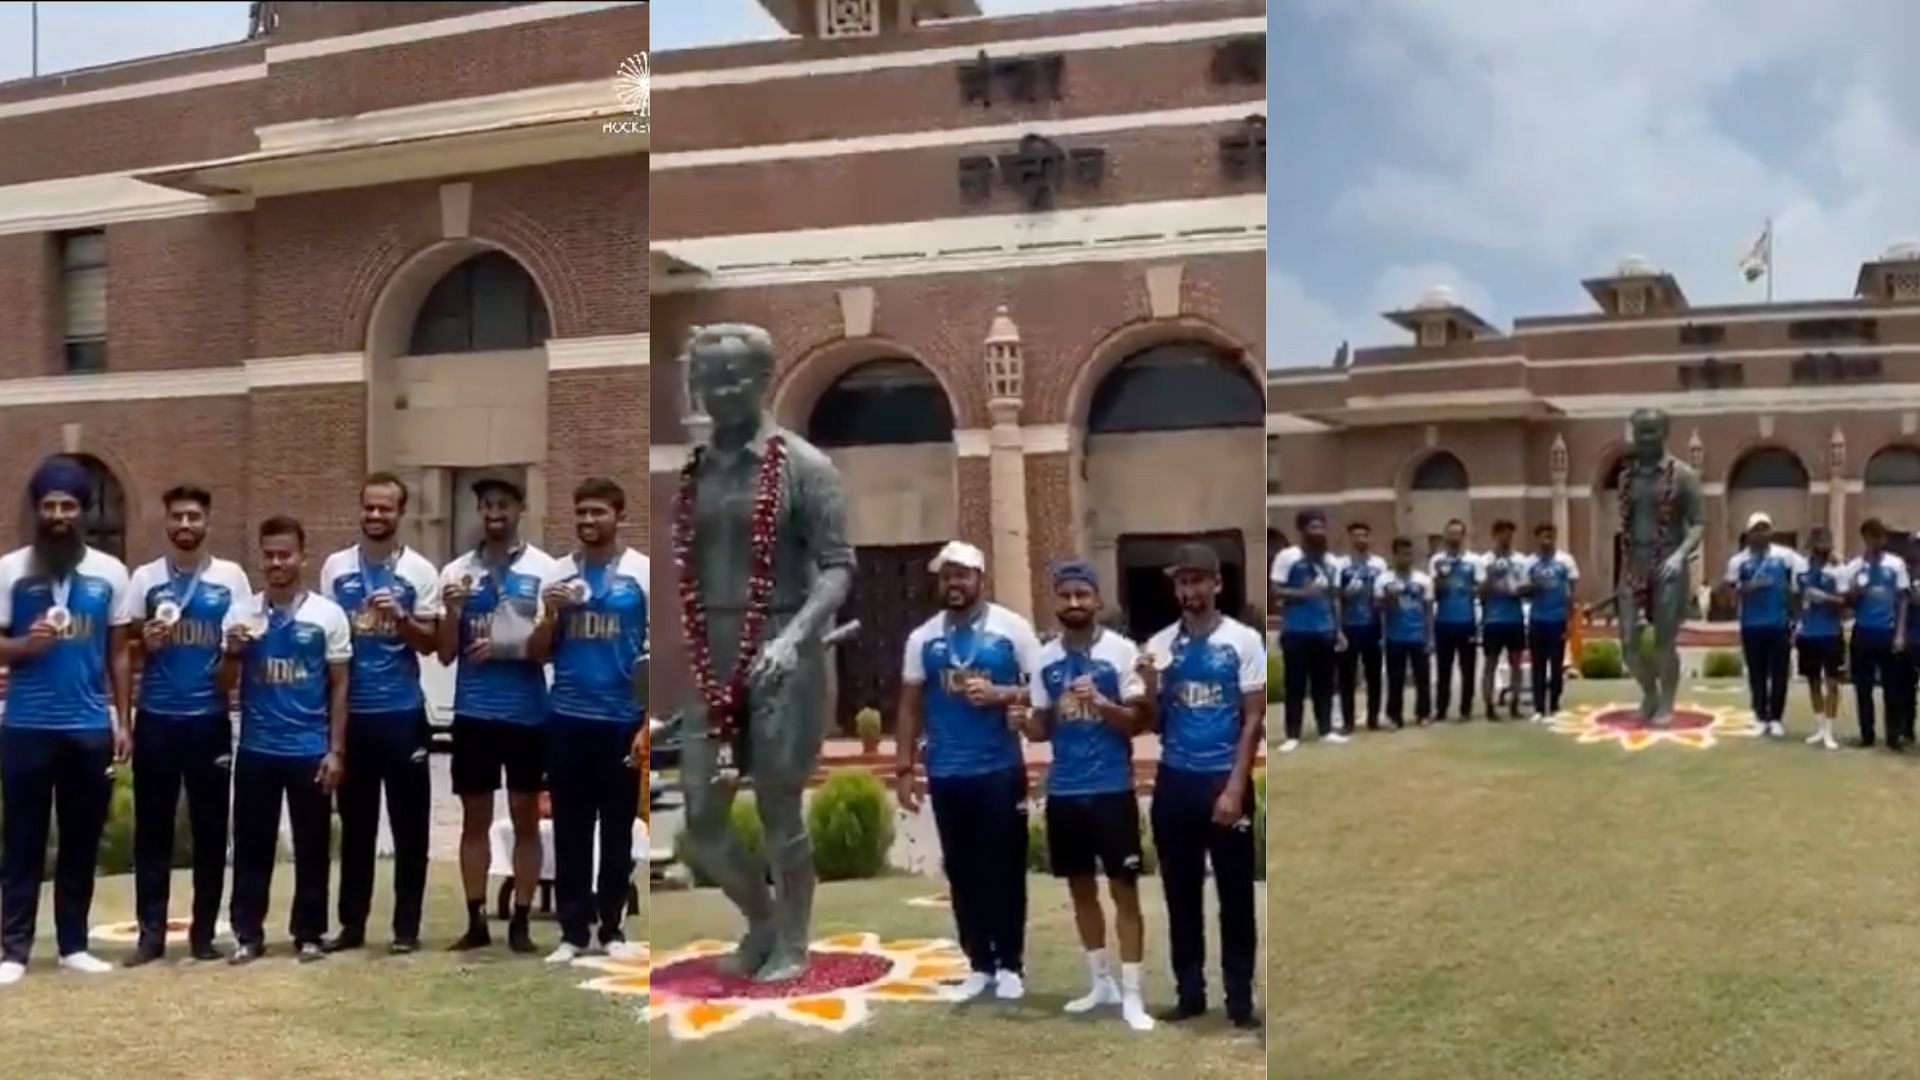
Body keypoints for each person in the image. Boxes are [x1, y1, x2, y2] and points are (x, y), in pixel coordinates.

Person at [0, 458, 134, 986]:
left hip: (87, 727)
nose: (58, 514)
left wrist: (123, 720)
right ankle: (12, 950)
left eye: (69, 505)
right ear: (37, 510)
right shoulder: (10, 570)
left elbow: (120, 653)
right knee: (24, 840)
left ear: (83, 511)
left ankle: (74, 944)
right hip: (26, 726)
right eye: (49, 505)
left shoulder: (110, 573)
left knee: (81, 837)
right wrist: (22, 647)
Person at [896, 540, 1042, 1001]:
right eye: (946, 576)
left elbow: (1041, 691)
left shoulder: (1011, 630)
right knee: (962, 871)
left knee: (1005, 868)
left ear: (981, 578)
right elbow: (909, 706)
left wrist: (1001, 695)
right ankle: (979, 963)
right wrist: (904, 769)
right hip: (948, 772)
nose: (954, 584)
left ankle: (1011, 965)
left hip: (1000, 769)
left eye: (962, 575)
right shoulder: (923, 638)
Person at [122, 485, 253, 965]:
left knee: (211, 830)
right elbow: (125, 648)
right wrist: (145, 644)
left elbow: (239, 644)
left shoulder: (231, 578)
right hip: (156, 718)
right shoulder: (145, 579)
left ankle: (203, 933)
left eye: (193, 517)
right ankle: (150, 935)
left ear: (207, 522)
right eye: (177, 516)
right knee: (151, 831)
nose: (185, 525)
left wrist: (236, 650)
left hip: (209, 720)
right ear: (166, 521)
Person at [1023, 560, 1154, 1032]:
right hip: (1065, 790)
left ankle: (1133, 994)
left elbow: (1139, 722)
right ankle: (1100, 982)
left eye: (1083, 595)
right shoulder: (1043, 660)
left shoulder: (1121, 653)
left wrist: (1102, 703)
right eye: (1066, 596)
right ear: (1056, 601)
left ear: (1098, 601)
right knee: (1080, 888)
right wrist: (1026, 719)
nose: (1074, 603)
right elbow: (1039, 729)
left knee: (1124, 891)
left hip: (1112, 788)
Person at [318, 473, 442, 954]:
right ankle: (351, 925)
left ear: (400, 513)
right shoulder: (335, 567)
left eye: (384, 509)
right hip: (354, 714)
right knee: (356, 828)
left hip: (402, 713)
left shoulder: (420, 571)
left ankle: (406, 929)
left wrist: (402, 619)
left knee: (410, 828)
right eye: (368, 507)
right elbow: (325, 639)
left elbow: (431, 644)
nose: (375, 516)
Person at [438, 477, 562, 952]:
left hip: (528, 714)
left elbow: (551, 650)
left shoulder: (546, 570)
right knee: (474, 820)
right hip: (473, 714)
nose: (494, 513)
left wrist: (509, 648)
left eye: (503, 505)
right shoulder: (456, 572)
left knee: (526, 819)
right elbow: (446, 654)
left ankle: (522, 920)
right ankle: (475, 920)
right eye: (486, 505)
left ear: (520, 510)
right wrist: (451, 613)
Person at [1145, 543, 1264, 1031]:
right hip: (1175, 780)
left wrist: (1235, 788)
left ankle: (1239, 999)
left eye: (1198, 581)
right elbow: (1153, 722)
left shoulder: (1243, 640)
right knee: (1181, 893)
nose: (1190, 591)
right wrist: (1150, 685)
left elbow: (1252, 716)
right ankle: (1189, 993)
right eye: (1182, 582)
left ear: (1217, 584)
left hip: (1223, 777)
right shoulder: (1158, 646)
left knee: (1235, 896)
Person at [221, 515, 350, 964]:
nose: (277, 563)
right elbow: (223, 683)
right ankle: (247, 933)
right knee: (252, 846)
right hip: (257, 747)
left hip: (308, 749)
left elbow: (339, 686)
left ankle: (309, 932)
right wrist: (233, 652)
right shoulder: (241, 615)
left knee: (313, 846)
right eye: (270, 555)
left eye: (285, 554)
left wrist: (336, 750)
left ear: (302, 557)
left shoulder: (326, 616)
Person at [531, 478, 649, 965]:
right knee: (571, 828)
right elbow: (537, 653)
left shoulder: (641, 574)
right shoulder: (557, 576)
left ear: (618, 515)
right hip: (567, 717)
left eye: (597, 512)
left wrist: (647, 724)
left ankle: (613, 928)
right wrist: (548, 616)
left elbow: (654, 655)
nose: (587, 522)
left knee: (618, 828)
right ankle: (572, 932)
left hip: (621, 720)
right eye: (580, 513)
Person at [1270, 509, 1345, 753]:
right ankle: (1292, 734)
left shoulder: (1331, 561)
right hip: (1296, 631)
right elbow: (1276, 591)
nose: (1319, 532)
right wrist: (1303, 594)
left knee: (1324, 683)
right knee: (1296, 685)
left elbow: (1334, 598)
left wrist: (1338, 629)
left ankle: (1326, 730)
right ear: (1301, 530)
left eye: (1321, 527)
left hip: (1324, 630)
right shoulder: (1288, 557)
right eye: (1313, 528)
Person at [1724, 512, 1801, 738]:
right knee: (1756, 673)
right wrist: (1749, 587)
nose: (1761, 533)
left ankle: (1776, 718)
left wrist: (1795, 616)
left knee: (1779, 673)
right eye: (1756, 529)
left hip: (1778, 624)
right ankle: (1759, 716)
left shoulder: (1785, 557)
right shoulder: (1738, 561)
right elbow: (1729, 594)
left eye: (1765, 528)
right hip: (1752, 625)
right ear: (1748, 534)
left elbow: (1801, 578)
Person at [1840, 517, 1909, 750]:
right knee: (1863, 686)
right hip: (1863, 632)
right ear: (1865, 539)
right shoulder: (1855, 567)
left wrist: (1900, 633)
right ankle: (1866, 734)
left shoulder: (1895, 565)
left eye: (1879, 536)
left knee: (1893, 687)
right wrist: (1855, 592)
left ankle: (1893, 736)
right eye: (1871, 536)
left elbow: (1902, 600)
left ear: (1884, 538)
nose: (1876, 541)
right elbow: (1846, 602)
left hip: (1887, 632)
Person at [1517, 523, 1579, 721]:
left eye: (1550, 536)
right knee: (1538, 665)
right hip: (1537, 620)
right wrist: (1532, 587)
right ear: (1536, 538)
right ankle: (1538, 707)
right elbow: (1521, 590)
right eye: (1543, 536)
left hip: (1557, 619)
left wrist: (1570, 621)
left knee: (1556, 665)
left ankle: (1554, 704)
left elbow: (1571, 593)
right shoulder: (1529, 563)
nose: (1547, 540)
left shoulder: (1565, 561)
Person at [1794, 527, 1846, 750]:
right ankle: (1819, 727)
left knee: (1832, 683)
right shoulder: (1802, 569)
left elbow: (1845, 602)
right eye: (1819, 544)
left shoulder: (1838, 570)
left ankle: (1830, 731)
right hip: (1808, 633)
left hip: (1831, 633)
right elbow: (1795, 598)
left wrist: (1824, 598)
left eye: (1827, 543)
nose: (1823, 548)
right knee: (1813, 681)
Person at [1376, 537, 1434, 728]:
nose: (1406, 558)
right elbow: (1379, 610)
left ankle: (1423, 713)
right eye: (1402, 554)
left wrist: (1430, 637)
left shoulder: (1423, 580)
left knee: (1423, 679)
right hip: (1394, 637)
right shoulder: (1384, 580)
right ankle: (1394, 717)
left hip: (1418, 636)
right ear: (1394, 555)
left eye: (1409, 554)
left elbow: (1428, 610)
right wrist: (1388, 600)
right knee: (1395, 679)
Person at [1335, 522, 1387, 733]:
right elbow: (1336, 598)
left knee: (1374, 675)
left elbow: (1383, 597)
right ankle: (1348, 721)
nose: (1361, 539)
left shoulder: (1379, 564)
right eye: (1356, 536)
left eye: (1365, 535)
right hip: (1349, 626)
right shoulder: (1341, 565)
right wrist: (1338, 629)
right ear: (1350, 539)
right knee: (1347, 677)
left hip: (1372, 626)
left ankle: (1373, 719)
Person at [1429, 519, 1482, 722]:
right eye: (1450, 533)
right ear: (1445, 536)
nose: (1454, 537)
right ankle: (1441, 709)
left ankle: (1465, 709)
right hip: (1443, 621)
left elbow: (1481, 589)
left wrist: (1470, 589)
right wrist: (1443, 577)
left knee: (1467, 668)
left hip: (1466, 620)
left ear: (1463, 536)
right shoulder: (1437, 561)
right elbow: (1434, 591)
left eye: (1458, 533)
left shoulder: (1473, 561)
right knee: (1443, 669)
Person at [1476, 520, 1527, 721]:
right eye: (1502, 534)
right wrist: (1492, 577)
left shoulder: (1520, 560)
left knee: (1516, 662)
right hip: (1493, 620)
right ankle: (1489, 705)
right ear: (1495, 535)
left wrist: (1518, 589)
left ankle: (1515, 703)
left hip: (1514, 618)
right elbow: (1480, 592)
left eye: (1509, 534)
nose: (1506, 538)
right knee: (1490, 663)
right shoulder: (1484, 561)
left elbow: (1525, 588)